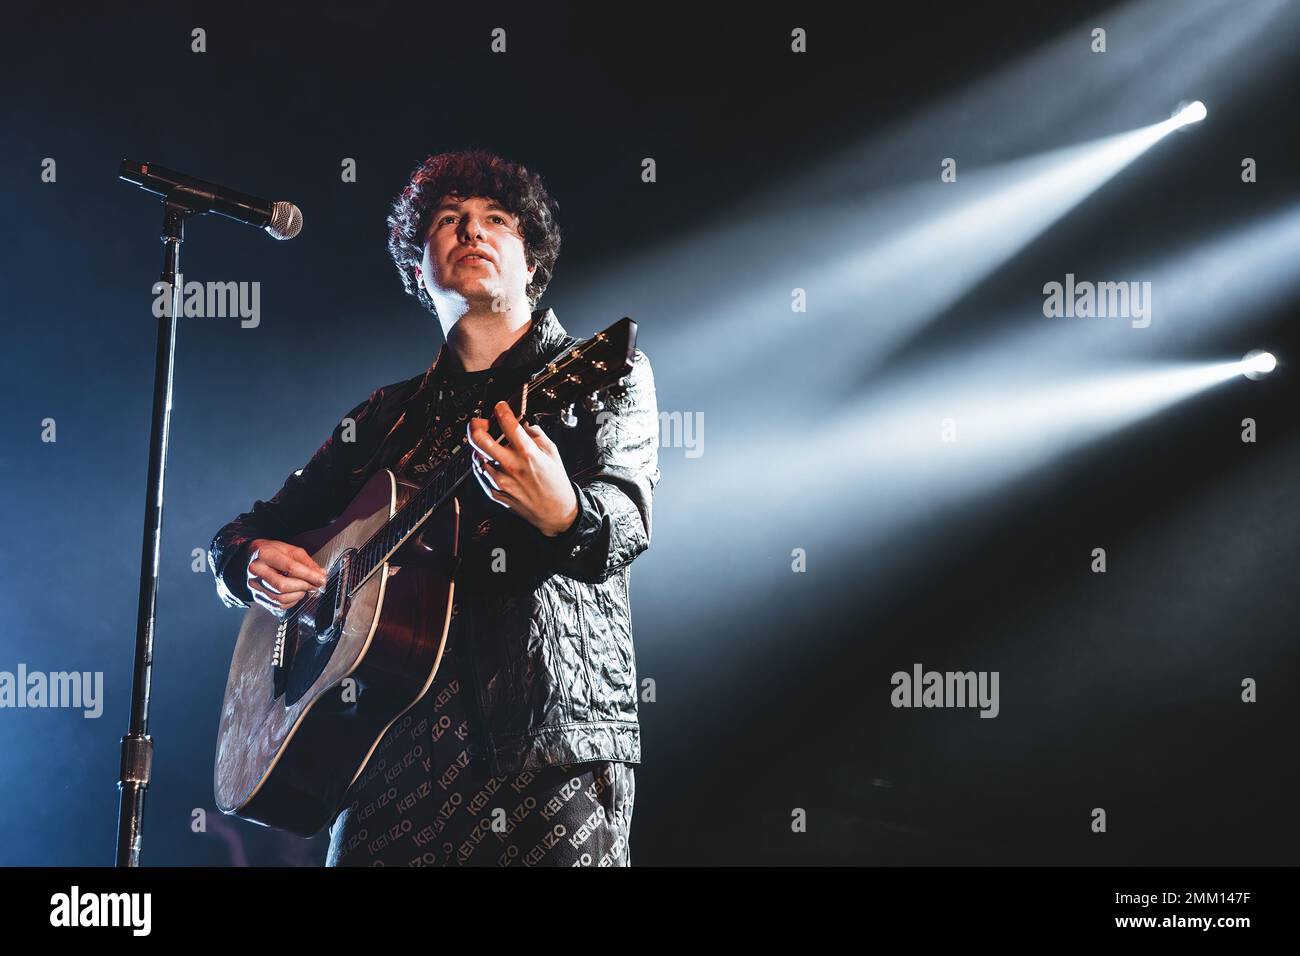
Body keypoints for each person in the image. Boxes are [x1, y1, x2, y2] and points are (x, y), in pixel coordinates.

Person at [206, 149, 659, 866]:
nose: (472, 230)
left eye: (496, 221)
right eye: (449, 221)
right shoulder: (384, 418)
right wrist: (246, 563)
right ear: (421, 270)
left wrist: (566, 514)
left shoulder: (602, 372)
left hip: (546, 749)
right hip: (387, 761)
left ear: (532, 264)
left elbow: (626, 518)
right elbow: (244, 531)